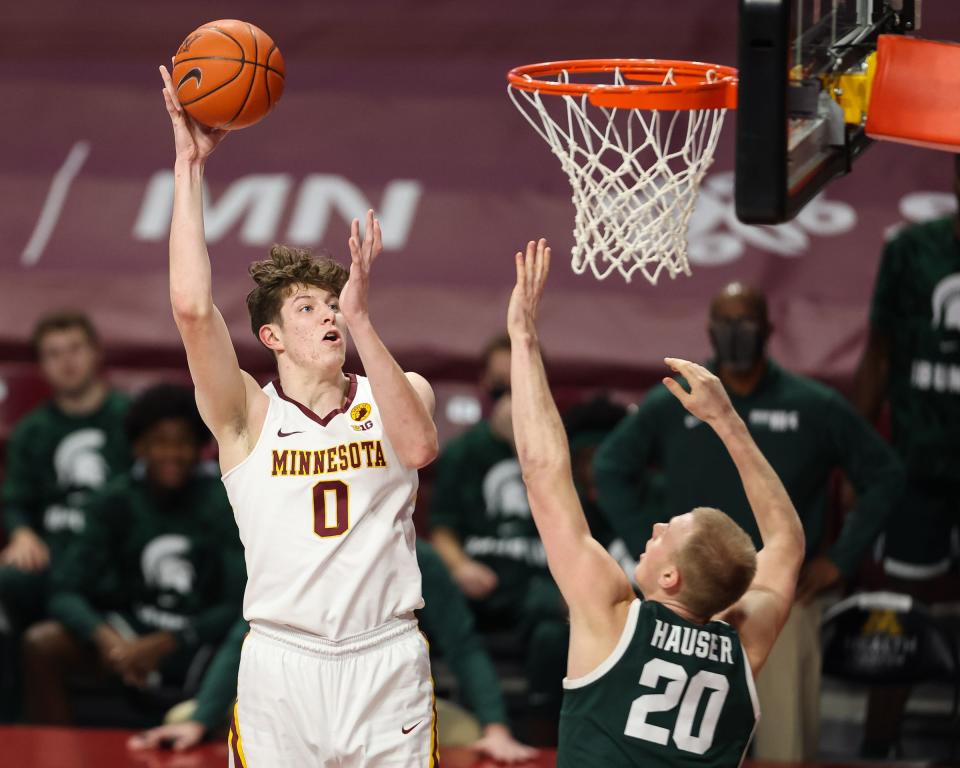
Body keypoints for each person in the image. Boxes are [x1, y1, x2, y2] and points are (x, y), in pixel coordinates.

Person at [159, 63, 439, 767]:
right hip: (282, 665)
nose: (327, 316)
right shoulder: (246, 418)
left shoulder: (398, 388)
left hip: (386, 659)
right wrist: (188, 169)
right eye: (306, 308)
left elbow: (420, 448)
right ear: (273, 338)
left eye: (332, 303)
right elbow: (193, 311)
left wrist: (363, 321)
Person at [508, 238, 804, 766]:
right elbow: (786, 540)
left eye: (667, 533)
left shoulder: (611, 616)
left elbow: (542, 473)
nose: (654, 530)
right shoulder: (743, 647)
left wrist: (524, 341)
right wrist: (728, 422)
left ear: (671, 578)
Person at [594, 281, 904, 761]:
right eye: (725, 324)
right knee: (678, 733)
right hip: (689, 594)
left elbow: (885, 475)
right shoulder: (673, 404)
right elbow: (609, 468)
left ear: (768, 329)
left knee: (785, 740)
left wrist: (839, 560)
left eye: (746, 323)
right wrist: (651, 548)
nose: (735, 334)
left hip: (775, 592)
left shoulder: (813, 405)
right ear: (709, 330)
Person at [129, 541, 536, 763]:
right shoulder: (296, 552)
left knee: (469, 736)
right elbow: (244, 637)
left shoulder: (417, 556)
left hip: (385, 701)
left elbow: (464, 647)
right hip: (296, 697)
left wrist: (496, 727)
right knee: (182, 717)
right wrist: (200, 719)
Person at [22, 384, 244, 724]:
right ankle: (57, 754)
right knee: (42, 643)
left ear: (199, 448)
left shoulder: (222, 502)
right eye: (160, 442)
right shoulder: (113, 502)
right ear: (140, 447)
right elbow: (64, 591)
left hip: (200, 643)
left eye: (182, 442)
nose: (172, 453)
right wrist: (107, 639)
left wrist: (170, 640)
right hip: (127, 635)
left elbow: (238, 603)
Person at [852, 155, 960, 757]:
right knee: (898, 611)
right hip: (917, 463)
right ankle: (876, 744)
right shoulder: (911, 251)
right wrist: (858, 457)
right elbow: (877, 355)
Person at [428, 333, 567, 742]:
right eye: (498, 383)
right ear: (484, 384)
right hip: (480, 587)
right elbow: (442, 528)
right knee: (440, 614)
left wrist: (527, 446)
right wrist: (460, 566)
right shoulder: (463, 453)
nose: (507, 393)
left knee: (554, 631)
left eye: (517, 381)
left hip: (535, 589)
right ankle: (469, 727)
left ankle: (545, 734)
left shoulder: (561, 449)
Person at [0, 311, 130, 719]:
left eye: (75, 349)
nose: (67, 361)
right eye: (53, 354)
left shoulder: (130, 418)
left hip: (113, 560)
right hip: (53, 558)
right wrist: (21, 533)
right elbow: (16, 499)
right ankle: (13, 729)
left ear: (95, 352)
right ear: (41, 365)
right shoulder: (32, 430)